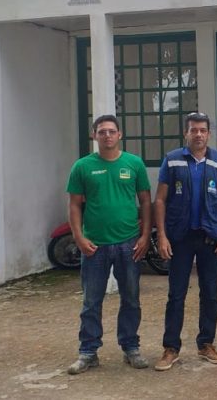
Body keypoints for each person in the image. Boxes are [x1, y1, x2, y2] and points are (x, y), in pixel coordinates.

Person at [65, 114, 152, 375]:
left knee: (131, 299)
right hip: (95, 246)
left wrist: (146, 236)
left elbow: (146, 202)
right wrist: (79, 237)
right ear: (94, 136)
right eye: (101, 132)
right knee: (91, 301)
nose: (107, 136)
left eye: (111, 131)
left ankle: (130, 347)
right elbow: (74, 205)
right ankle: (88, 352)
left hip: (129, 244)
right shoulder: (82, 167)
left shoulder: (134, 164)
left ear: (120, 134)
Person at [153, 112, 217, 371]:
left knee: (210, 294)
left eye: (202, 130)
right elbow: (160, 200)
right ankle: (171, 348)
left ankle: (206, 344)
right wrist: (163, 235)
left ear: (208, 133)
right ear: (186, 133)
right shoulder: (173, 160)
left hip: (211, 237)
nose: (198, 134)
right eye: (193, 130)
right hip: (180, 237)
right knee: (176, 294)